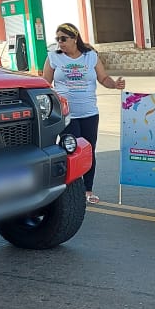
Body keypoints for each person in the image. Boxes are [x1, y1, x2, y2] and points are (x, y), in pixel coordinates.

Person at [41, 22, 125, 205]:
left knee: (88, 152)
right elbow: (45, 84)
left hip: (89, 113)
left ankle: (88, 190)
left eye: (63, 39)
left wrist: (114, 85)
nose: (60, 43)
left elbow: (103, 78)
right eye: (57, 39)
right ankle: (70, 189)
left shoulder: (90, 57)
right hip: (66, 114)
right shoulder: (53, 58)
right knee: (70, 151)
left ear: (75, 38)